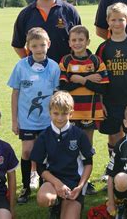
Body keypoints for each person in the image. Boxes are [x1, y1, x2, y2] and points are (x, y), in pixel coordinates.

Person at [8, 27, 60, 204]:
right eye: (34, 45)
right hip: (27, 120)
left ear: (48, 45)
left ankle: (46, 182)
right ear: (28, 46)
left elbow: (56, 95)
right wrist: (15, 120)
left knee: (47, 152)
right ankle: (25, 186)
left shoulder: (54, 67)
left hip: (47, 120)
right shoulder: (21, 66)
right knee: (27, 151)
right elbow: (15, 94)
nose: (39, 49)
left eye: (42, 45)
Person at [59, 25, 109, 195]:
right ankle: (71, 179)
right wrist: (88, 80)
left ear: (87, 41)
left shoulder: (95, 61)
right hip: (70, 113)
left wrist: (81, 79)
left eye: (81, 40)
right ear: (69, 42)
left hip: (90, 111)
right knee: (69, 147)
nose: (77, 43)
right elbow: (64, 87)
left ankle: (86, 183)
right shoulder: (66, 61)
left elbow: (103, 88)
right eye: (74, 40)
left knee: (86, 148)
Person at [95, 2, 127, 178]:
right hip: (110, 100)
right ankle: (114, 167)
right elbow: (99, 77)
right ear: (107, 21)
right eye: (113, 19)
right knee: (114, 135)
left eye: (121, 19)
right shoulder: (103, 48)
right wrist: (100, 102)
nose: (117, 23)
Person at [31, 91, 94, 219]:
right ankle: (55, 204)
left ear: (71, 113)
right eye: (56, 113)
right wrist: (57, 184)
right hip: (53, 182)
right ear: (50, 112)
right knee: (44, 198)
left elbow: (88, 163)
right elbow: (40, 168)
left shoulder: (79, 134)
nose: (60, 118)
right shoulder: (44, 136)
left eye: (64, 113)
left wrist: (80, 186)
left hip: (74, 184)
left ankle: (67, 204)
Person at [12, 0, 81, 63]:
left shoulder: (70, 11)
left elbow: (79, 42)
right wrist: (30, 63)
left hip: (65, 74)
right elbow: (17, 45)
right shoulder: (25, 14)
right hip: (37, 74)